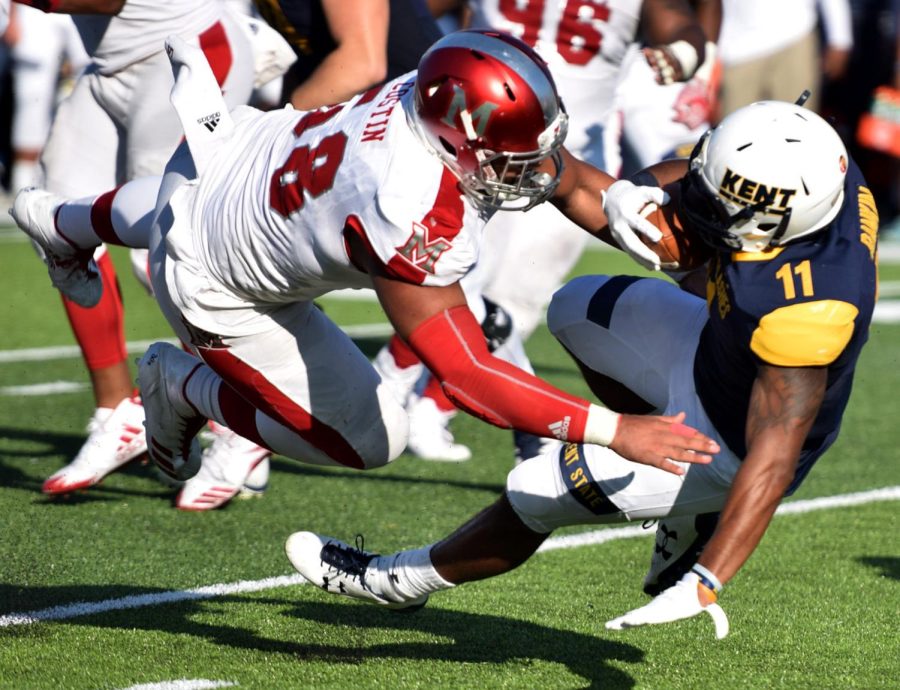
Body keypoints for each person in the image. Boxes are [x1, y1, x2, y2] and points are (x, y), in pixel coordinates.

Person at [12, 31, 720, 506]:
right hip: (218, 286)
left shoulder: (429, 92)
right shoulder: (408, 204)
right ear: (459, 139)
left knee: (182, 198)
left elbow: (556, 175)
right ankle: (186, 386)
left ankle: (68, 221)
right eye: (510, 155)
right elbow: (468, 375)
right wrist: (612, 430)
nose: (530, 165)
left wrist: (623, 202)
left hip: (224, 151)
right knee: (375, 438)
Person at [283, 99, 878, 639]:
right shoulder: (808, 163)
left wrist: (707, 579)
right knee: (578, 308)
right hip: (714, 348)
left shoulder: (813, 307)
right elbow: (688, 179)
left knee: (535, 488)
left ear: (769, 227)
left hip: (730, 439)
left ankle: (398, 582)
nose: (698, 206)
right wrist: (630, 192)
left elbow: (773, 454)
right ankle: (685, 508)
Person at [379, 0, 711, 462]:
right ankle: (398, 388)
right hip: (482, 141)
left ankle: (434, 407)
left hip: (574, 152)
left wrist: (683, 52)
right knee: (450, 276)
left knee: (519, 299)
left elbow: (679, 25)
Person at [17, 0, 269, 510]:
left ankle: (248, 421)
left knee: (173, 243)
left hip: (185, 51)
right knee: (55, 221)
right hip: (111, 64)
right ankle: (118, 413)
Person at [253, 0, 443, 109]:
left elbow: (362, 64)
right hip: (356, 121)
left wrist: (277, 125)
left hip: (413, 116)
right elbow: (305, 52)